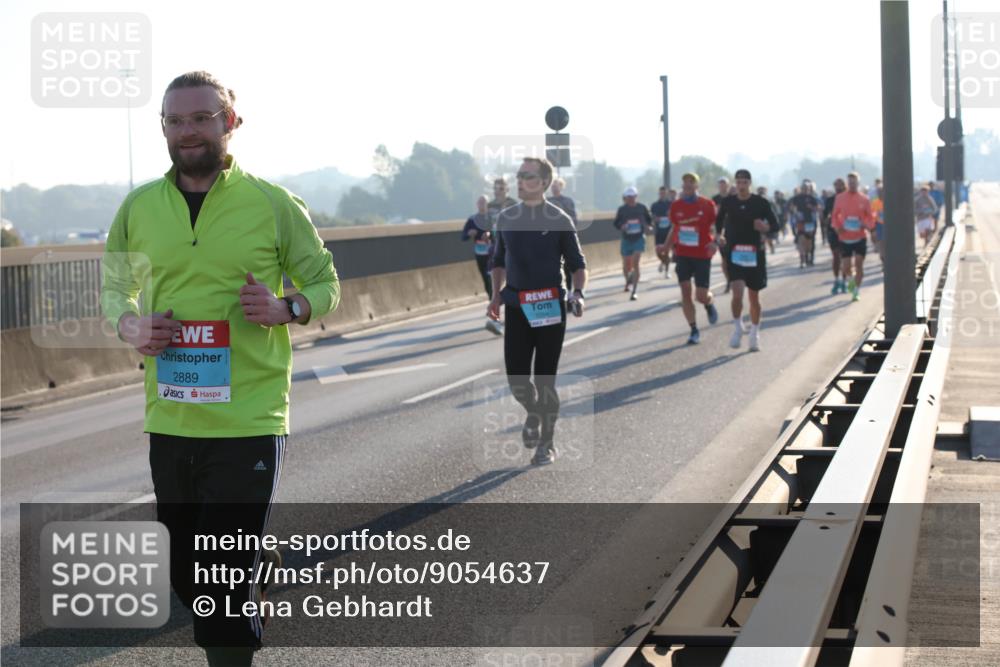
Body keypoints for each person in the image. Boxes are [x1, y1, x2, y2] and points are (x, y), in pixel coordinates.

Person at [100, 71, 341, 667]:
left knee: (220, 584)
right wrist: (131, 325)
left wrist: (287, 308)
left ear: (230, 123)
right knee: (185, 572)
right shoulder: (138, 207)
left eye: (202, 118)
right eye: (175, 120)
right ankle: (258, 563)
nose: (188, 131)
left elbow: (325, 283)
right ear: (163, 128)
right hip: (172, 416)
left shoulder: (273, 203)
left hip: (248, 418)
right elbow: (113, 287)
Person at [487, 157, 587, 466]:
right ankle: (533, 412)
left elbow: (578, 265)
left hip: (550, 306)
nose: (520, 180)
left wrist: (578, 293)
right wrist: (495, 296)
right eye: (518, 175)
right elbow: (498, 261)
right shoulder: (506, 218)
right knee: (517, 379)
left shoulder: (559, 218)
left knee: (545, 381)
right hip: (517, 306)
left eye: (528, 176)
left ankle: (547, 444)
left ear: (544, 182)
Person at [716, 169, 779, 352]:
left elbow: (775, 224)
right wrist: (719, 235)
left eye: (744, 182)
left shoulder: (760, 202)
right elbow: (718, 221)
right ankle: (737, 328)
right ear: (735, 184)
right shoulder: (728, 202)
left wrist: (764, 227)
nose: (741, 186)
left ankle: (754, 333)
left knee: (754, 297)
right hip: (734, 253)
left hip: (755, 254)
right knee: (737, 293)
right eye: (738, 182)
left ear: (749, 183)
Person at [666, 172, 719, 344]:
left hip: (702, 254)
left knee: (701, 296)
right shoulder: (676, 206)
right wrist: (665, 247)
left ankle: (709, 303)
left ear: (697, 186)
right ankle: (693, 329)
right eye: (685, 182)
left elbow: (718, 227)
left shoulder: (707, 204)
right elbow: (675, 228)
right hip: (683, 254)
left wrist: (715, 242)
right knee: (685, 290)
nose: (687, 185)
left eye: (691, 182)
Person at [831, 171, 876, 301]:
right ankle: (852, 285)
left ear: (858, 183)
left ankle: (856, 291)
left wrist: (866, 225)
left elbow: (870, 217)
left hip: (860, 237)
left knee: (858, 264)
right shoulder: (840, 198)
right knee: (846, 268)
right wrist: (838, 227)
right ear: (847, 183)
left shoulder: (864, 199)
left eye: (854, 182)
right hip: (845, 238)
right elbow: (834, 216)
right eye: (850, 182)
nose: (852, 185)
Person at [462, 195, 501, 334]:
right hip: (479, 253)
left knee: (491, 279)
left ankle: (493, 305)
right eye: (479, 202)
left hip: (492, 252)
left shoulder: (492, 218)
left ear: (487, 204)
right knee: (485, 279)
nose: (481, 204)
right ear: (476, 204)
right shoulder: (472, 219)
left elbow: (498, 232)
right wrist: (469, 233)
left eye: (484, 202)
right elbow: (463, 236)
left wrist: (490, 234)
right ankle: (492, 302)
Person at [613, 186, 652, 301]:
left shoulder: (642, 208)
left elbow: (649, 220)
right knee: (626, 264)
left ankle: (634, 291)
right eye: (628, 197)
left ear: (636, 196)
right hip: (626, 239)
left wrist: (648, 226)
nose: (630, 199)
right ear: (625, 198)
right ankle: (628, 280)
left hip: (639, 238)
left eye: (632, 196)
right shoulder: (622, 209)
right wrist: (622, 226)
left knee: (636, 262)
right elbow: (616, 223)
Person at [548, 177, 578, 294]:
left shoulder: (567, 201)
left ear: (561, 187)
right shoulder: (546, 201)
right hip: (549, 238)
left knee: (567, 265)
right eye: (552, 186)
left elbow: (573, 219)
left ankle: (569, 290)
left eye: (556, 186)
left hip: (564, 237)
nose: (554, 188)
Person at [790, 179, 822, 268]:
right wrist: (794, 212)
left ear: (809, 189)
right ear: (801, 188)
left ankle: (810, 257)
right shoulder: (797, 198)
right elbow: (791, 207)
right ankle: (802, 260)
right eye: (804, 188)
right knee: (801, 239)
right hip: (800, 222)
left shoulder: (812, 198)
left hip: (810, 222)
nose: (805, 189)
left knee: (809, 241)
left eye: (807, 188)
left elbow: (818, 208)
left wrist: (812, 207)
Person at [824, 178, 847, 293]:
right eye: (836, 185)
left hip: (846, 231)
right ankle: (837, 280)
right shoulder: (830, 200)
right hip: (833, 230)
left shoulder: (848, 198)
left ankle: (844, 281)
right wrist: (828, 218)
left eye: (840, 185)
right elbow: (825, 215)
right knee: (836, 256)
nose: (838, 187)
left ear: (844, 185)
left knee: (845, 257)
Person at [712, 177, 733, 292]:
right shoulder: (715, 199)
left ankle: (737, 279)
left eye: (724, 184)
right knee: (724, 260)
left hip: (733, 231)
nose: (722, 186)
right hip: (721, 233)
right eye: (720, 184)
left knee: (733, 259)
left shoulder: (733, 198)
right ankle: (728, 280)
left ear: (728, 186)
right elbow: (712, 216)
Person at [650, 186, 674, 276]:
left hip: (668, 231)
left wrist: (670, 218)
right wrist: (655, 219)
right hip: (659, 231)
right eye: (661, 193)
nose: (662, 195)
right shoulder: (654, 205)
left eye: (664, 193)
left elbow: (675, 216)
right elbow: (651, 217)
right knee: (658, 252)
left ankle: (667, 272)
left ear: (667, 194)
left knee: (666, 251)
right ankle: (664, 261)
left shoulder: (671, 204)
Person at [870, 178, 885, 263]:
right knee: (881, 244)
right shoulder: (875, 203)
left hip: (889, 226)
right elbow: (872, 216)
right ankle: (883, 259)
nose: (880, 193)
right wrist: (873, 229)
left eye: (882, 191)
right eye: (879, 192)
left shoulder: (890, 201)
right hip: (879, 226)